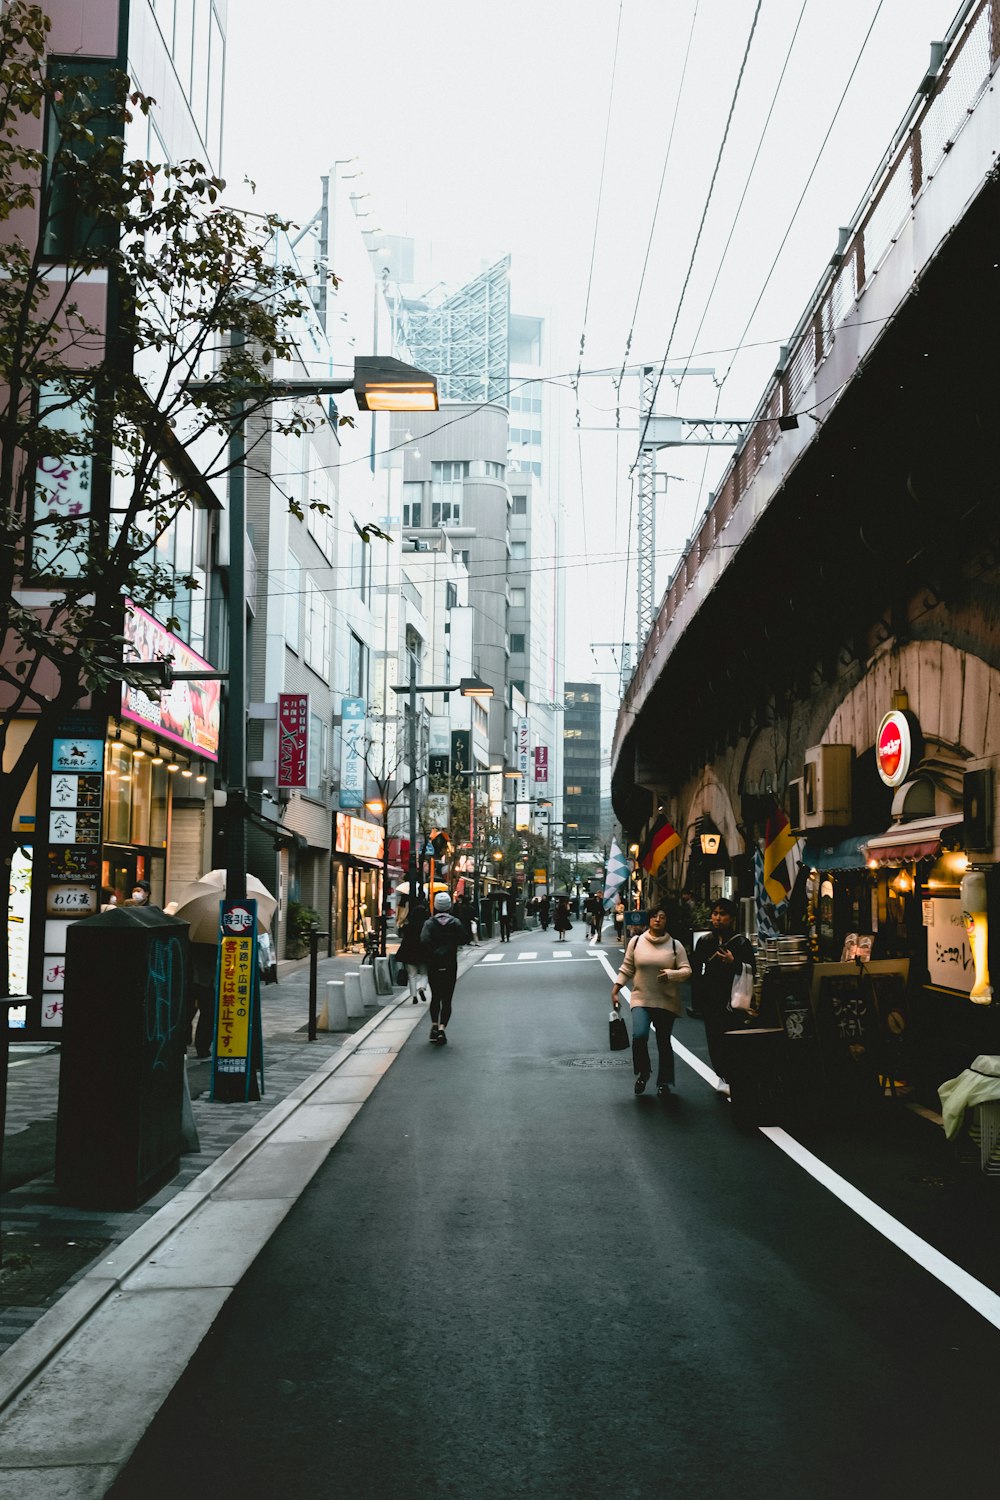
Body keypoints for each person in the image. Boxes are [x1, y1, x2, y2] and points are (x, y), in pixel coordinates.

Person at [611, 904, 691, 1099]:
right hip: (641, 997)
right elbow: (627, 967)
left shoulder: (675, 945)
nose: (657, 919)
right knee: (639, 1035)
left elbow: (687, 970)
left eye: (662, 917)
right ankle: (643, 1072)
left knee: (664, 1041)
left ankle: (664, 1083)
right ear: (648, 920)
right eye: (654, 916)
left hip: (666, 1001)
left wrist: (671, 974)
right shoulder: (636, 942)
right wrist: (616, 989)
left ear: (666, 921)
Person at [691, 897, 756, 1095]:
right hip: (711, 999)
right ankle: (723, 1076)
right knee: (714, 1039)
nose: (718, 918)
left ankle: (733, 1076)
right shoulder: (705, 942)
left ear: (732, 918)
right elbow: (696, 971)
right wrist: (697, 1001)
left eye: (723, 914)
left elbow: (752, 970)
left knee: (731, 1040)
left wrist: (734, 962)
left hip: (733, 999)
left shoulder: (741, 943)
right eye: (715, 914)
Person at [420, 891, 468, 1045]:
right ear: (449, 906)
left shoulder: (429, 924)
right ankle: (442, 1029)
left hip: (433, 964)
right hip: (449, 964)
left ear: (435, 906)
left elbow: (423, 940)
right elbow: (463, 939)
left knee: (435, 996)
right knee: (447, 999)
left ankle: (433, 1025)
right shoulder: (455, 922)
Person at [396, 894, 430, 1004]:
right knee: (424, 973)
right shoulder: (427, 925)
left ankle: (414, 996)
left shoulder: (409, 926)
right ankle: (422, 988)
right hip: (424, 952)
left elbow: (403, 939)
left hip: (410, 952)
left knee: (412, 975)